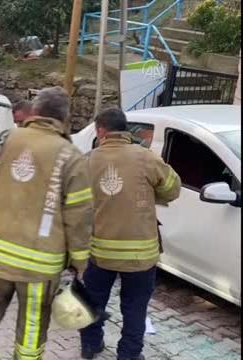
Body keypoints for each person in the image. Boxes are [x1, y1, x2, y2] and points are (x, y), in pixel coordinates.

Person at [0, 87, 93, 360]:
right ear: (65, 118)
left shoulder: (4, 140)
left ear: (35, 111)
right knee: (33, 319)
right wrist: (79, 261)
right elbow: (79, 217)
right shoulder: (71, 156)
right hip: (40, 264)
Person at [79, 107, 181, 360]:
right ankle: (129, 354)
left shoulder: (88, 160)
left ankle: (91, 345)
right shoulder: (146, 158)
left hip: (100, 252)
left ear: (101, 131)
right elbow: (172, 189)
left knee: (92, 301)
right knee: (135, 308)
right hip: (140, 254)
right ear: (125, 129)